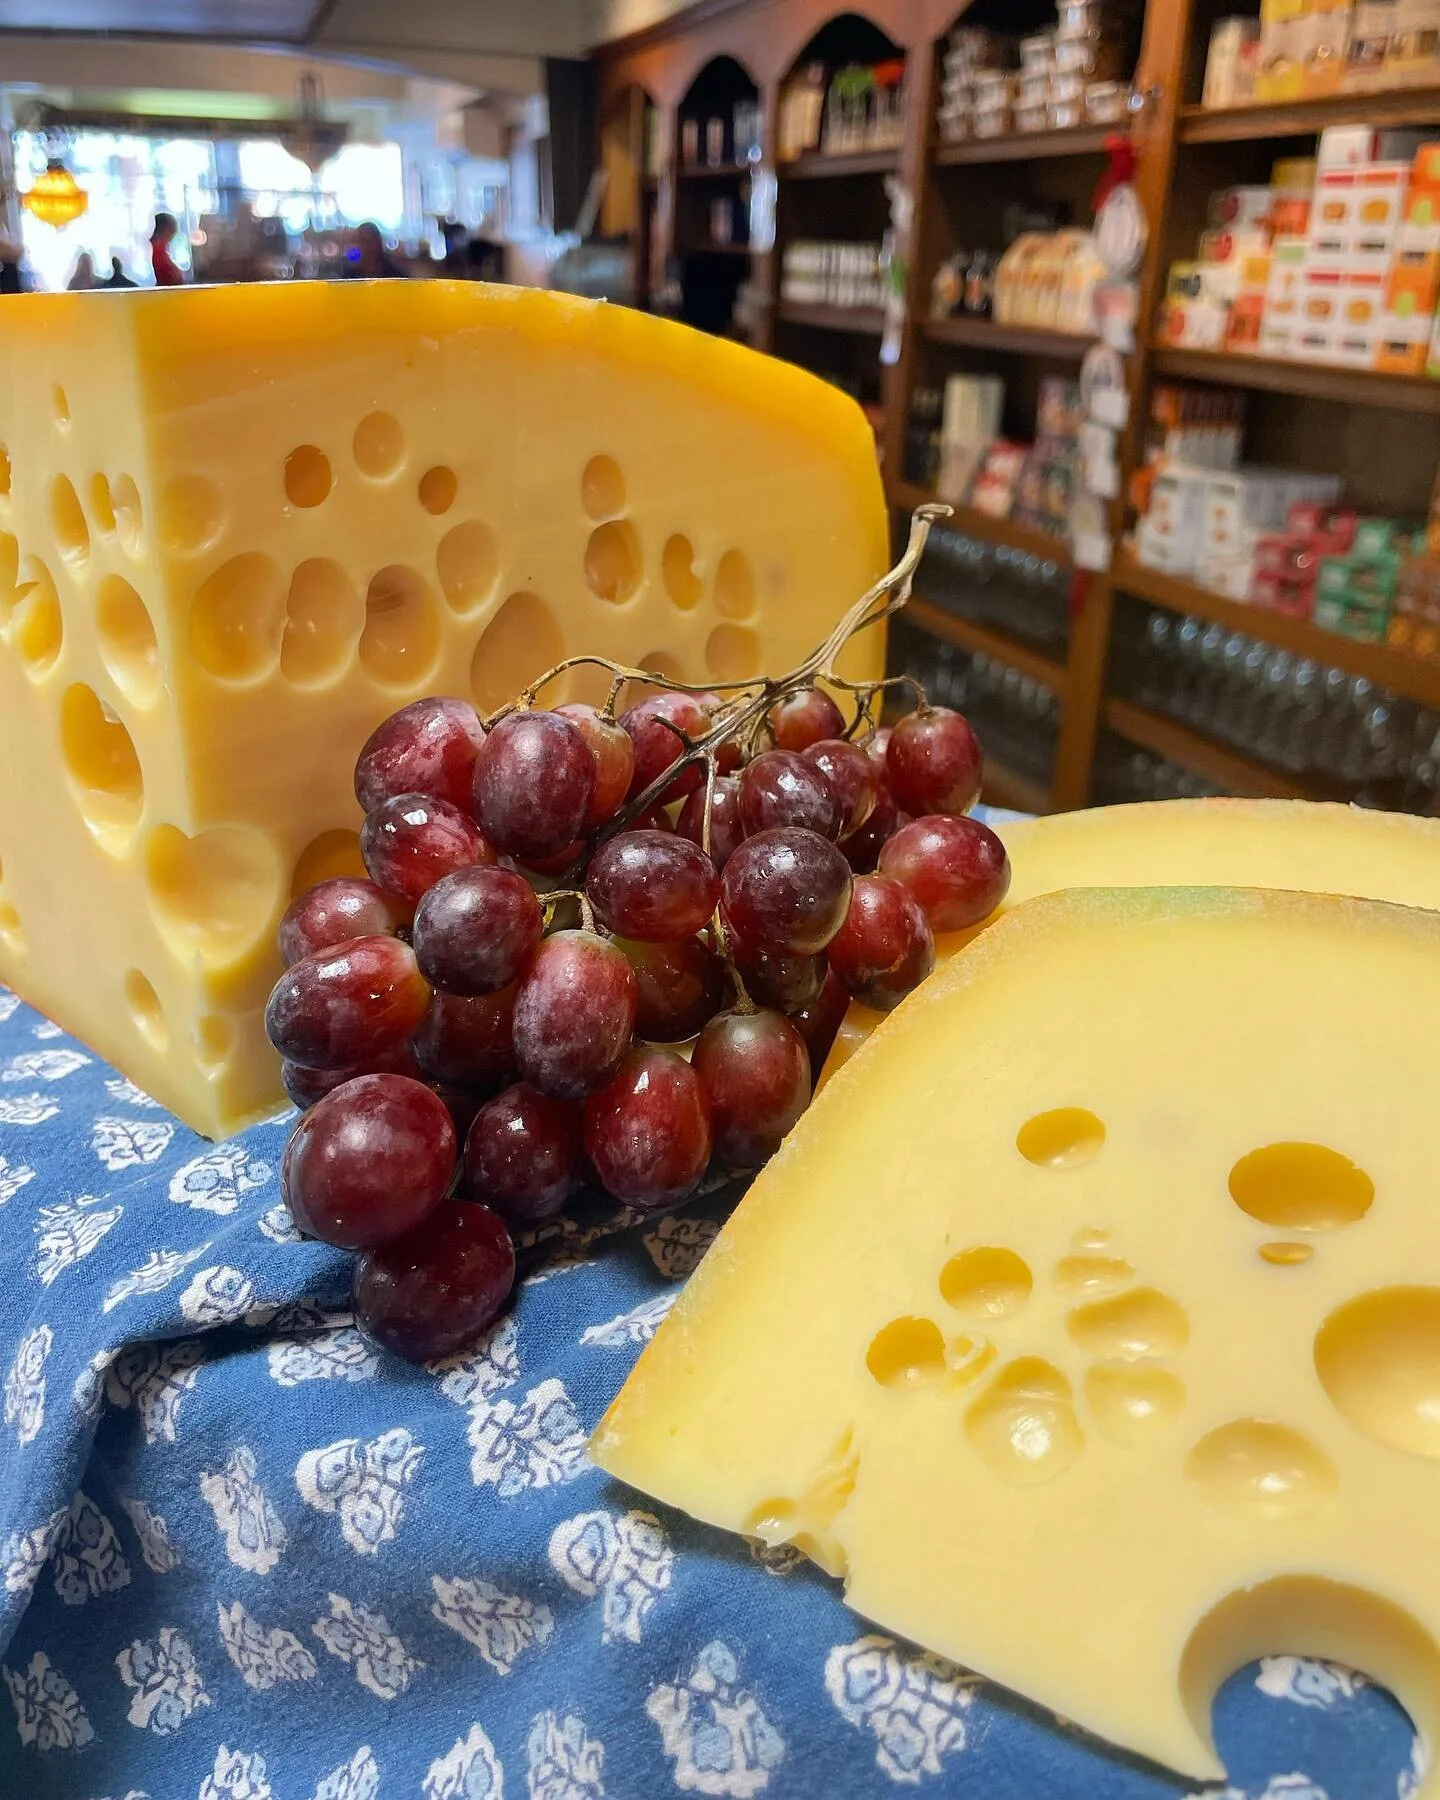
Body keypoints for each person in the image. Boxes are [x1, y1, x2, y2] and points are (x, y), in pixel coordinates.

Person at [150, 212, 184, 287]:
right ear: (167, 229)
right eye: (174, 227)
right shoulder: (158, 252)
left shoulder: (155, 249)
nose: (176, 231)